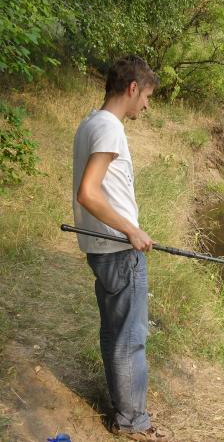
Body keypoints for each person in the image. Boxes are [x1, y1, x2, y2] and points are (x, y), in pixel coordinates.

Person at [72, 55, 168, 441]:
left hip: (101, 247)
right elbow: (88, 193)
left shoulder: (90, 122)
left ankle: (122, 407)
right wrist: (132, 230)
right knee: (130, 337)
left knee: (116, 332)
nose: (146, 104)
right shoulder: (110, 128)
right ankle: (132, 421)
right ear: (132, 89)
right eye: (146, 95)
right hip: (117, 250)